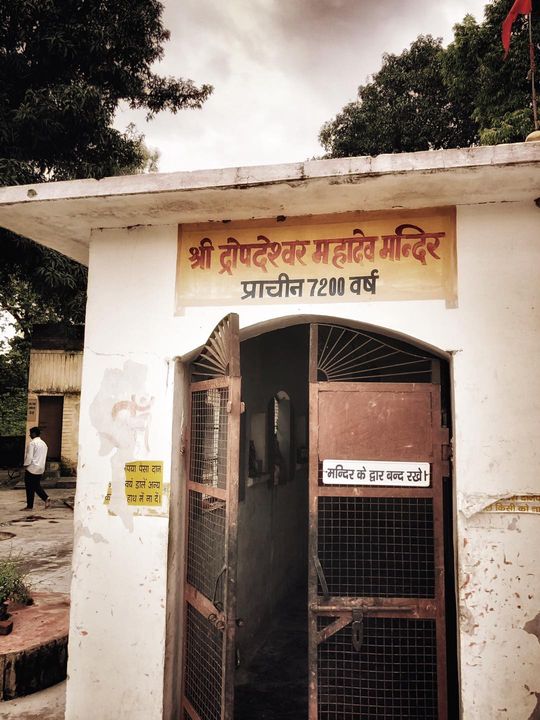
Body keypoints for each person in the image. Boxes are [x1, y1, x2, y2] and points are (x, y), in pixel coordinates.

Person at [22, 426, 50, 510]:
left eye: (30, 433)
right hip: (40, 468)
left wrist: (25, 465)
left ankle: (30, 506)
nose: (30, 435)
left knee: (29, 487)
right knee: (35, 485)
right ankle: (45, 498)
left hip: (32, 468)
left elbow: (29, 457)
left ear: (34, 434)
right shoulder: (44, 444)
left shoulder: (32, 443)